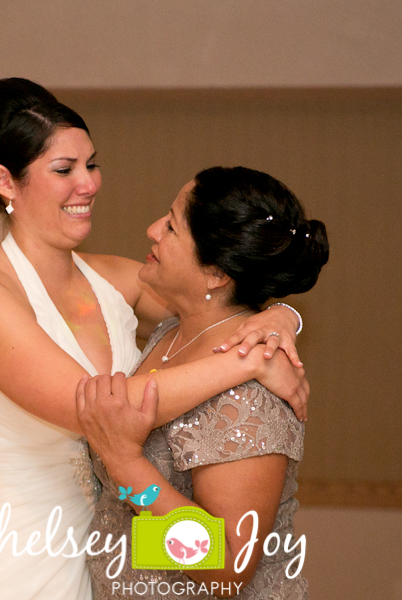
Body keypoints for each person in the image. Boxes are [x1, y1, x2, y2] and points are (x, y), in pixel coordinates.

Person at [0, 79, 309, 600]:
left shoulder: (116, 279)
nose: (88, 183)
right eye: (64, 170)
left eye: (91, 164)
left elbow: (218, 297)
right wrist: (245, 364)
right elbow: (95, 411)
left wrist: (282, 318)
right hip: (21, 564)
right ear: (5, 182)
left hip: (116, 552)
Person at [78, 167, 329, 599]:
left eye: (172, 225)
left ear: (215, 273)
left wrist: (127, 467)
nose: (153, 230)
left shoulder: (250, 397)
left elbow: (229, 566)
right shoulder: (175, 331)